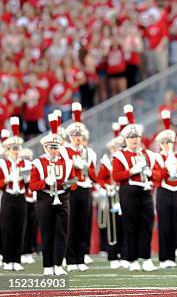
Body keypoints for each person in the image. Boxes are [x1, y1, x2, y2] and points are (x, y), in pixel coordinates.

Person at [111, 105, 160, 272]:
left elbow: (159, 173)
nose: (135, 139)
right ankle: (131, 259)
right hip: (128, 192)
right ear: (125, 139)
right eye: (131, 137)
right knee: (130, 226)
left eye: (137, 136)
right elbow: (116, 176)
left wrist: (150, 172)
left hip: (145, 191)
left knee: (147, 225)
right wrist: (132, 171)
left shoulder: (148, 154)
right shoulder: (119, 155)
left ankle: (145, 257)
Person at [29, 113, 76, 276]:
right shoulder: (38, 163)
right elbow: (32, 186)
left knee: (62, 232)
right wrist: (46, 183)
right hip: (44, 198)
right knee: (47, 232)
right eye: (51, 147)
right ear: (45, 147)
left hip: (62, 198)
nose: (54, 150)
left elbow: (74, 182)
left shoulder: (67, 163)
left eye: (56, 147)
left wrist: (65, 184)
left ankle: (58, 264)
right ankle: (48, 266)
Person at [153, 110, 177, 269]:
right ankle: (163, 257)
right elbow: (155, 176)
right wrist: (166, 170)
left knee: (175, 224)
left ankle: (171, 257)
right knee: (164, 224)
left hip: (175, 191)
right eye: (165, 142)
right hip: (163, 191)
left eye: (170, 142)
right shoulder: (156, 157)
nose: (168, 145)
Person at [63, 102, 97, 272]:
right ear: (70, 136)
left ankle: (81, 258)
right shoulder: (65, 151)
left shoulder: (89, 152)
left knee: (84, 224)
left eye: (80, 135)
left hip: (85, 189)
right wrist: (73, 165)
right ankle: (70, 259)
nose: (78, 138)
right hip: (72, 190)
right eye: (75, 135)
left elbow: (94, 175)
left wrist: (87, 168)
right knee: (72, 224)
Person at [96, 123, 128, 269]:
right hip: (112, 195)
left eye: (120, 147)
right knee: (113, 226)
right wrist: (106, 187)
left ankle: (125, 253)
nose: (117, 150)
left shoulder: (126, 159)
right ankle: (113, 254)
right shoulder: (107, 162)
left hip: (125, 194)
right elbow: (100, 178)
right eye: (115, 148)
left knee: (125, 224)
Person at [0, 117, 27, 271]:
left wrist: (27, 178)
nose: (16, 152)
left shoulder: (24, 162)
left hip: (21, 197)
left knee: (19, 227)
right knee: (7, 227)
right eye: (14, 149)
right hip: (9, 196)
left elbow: (30, 179)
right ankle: (7, 258)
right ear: (8, 150)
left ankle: (17, 259)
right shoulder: (2, 163)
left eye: (18, 149)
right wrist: (7, 179)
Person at [19, 148, 38, 266]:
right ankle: (22, 251)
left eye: (28, 156)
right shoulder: (19, 166)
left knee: (33, 226)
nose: (27, 158)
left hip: (33, 199)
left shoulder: (33, 166)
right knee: (24, 227)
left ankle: (30, 251)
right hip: (23, 198)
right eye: (24, 156)